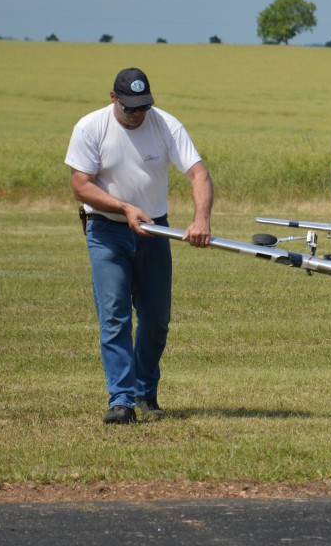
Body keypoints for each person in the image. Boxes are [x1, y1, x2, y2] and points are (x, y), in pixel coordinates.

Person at [65, 67, 213, 424]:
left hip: (155, 232)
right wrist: (125, 208)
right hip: (106, 231)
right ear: (113, 98)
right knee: (115, 316)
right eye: (130, 107)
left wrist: (201, 219)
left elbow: (199, 174)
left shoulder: (165, 125)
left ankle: (146, 391)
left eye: (143, 106)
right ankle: (121, 400)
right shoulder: (90, 127)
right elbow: (80, 185)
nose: (137, 115)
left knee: (157, 319)